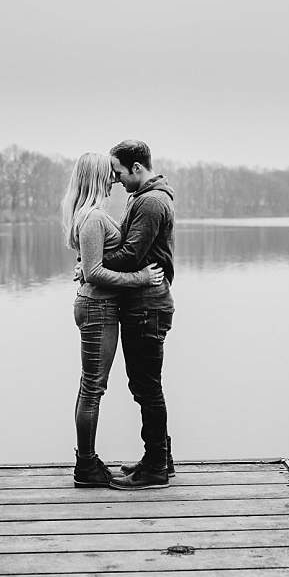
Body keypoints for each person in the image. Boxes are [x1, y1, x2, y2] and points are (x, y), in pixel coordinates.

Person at [61, 152, 165, 488]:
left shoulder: (96, 215)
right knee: (92, 388)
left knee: (92, 387)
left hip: (101, 308)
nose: (114, 179)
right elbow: (94, 272)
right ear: (95, 177)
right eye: (109, 174)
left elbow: (91, 264)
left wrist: (89, 267)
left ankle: (89, 463)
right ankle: (86, 467)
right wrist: (141, 280)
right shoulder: (92, 218)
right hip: (97, 309)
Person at [99, 139, 177, 490]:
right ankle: (158, 459)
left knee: (146, 388)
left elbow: (132, 255)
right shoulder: (147, 198)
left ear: (136, 167)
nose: (116, 180)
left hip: (147, 305)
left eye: (118, 172)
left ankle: (156, 468)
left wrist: (92, 264)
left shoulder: (150, 202)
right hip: (146, 303)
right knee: (146, 386)